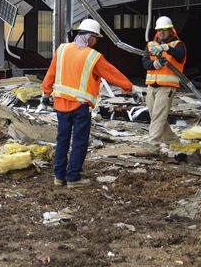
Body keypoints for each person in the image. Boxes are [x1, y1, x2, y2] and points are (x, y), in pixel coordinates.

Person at [42, 19, 133, 188]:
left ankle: (58, 176)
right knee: (79, 141)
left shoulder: (62, 49)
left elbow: (51, 73)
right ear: (90, 37)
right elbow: (111, 73)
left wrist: (46, 91)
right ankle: (73, 178)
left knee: (62, 140)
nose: (96, 42)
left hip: (61, 104)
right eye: (96, 38)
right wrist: (128, 86)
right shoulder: (93, 56)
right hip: (79, 107)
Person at [141, 16, 186, 146]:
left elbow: (179, 56)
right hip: (151, 86)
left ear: (171, 30)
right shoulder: (150, 45)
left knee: (158, 116)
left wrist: (166, 48)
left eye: (165, 30)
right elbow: (145, 62)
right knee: (156, 116)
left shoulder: (178, 45)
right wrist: (155, 64)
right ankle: (173, 141)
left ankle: (152, 146)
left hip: (167, 87)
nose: (161, 32)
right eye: (159, 30)